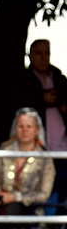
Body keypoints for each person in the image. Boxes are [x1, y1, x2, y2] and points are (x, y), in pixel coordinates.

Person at [0, 108, 56, 229]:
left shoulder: (44, 158)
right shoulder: (5, 150)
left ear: (37, 130)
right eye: (21, 126)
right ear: (15, 129)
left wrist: (14, 197)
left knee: (11, 209)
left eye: (29, 126)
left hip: (29, 207)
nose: (25, 130)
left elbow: (44, 195)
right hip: (1, 203)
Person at [24, 39, 67, 212]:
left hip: (62, 146)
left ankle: (58, 224)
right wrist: (41, 100)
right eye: (38, 53)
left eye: (46, 53)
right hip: (38, 147)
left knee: (62, 188)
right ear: (30, 56)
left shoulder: (59, 77)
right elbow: (20, 106)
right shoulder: (23, 80)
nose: (43, 57)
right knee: (39, 189)